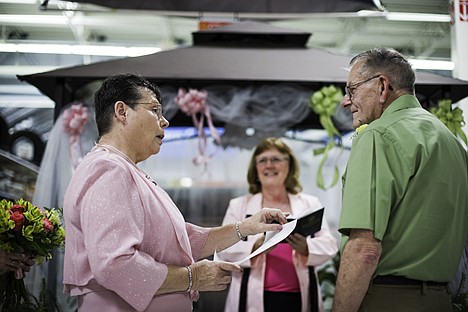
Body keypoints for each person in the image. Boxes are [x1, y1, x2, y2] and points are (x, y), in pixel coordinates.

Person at [62, 73, 288, 312]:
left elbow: (181, 243)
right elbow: (114, 264)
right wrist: (192, 277)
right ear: (122, 112)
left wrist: (246, 227)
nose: (165, 121)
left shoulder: (125, 169)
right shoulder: (108, 168)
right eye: (155, 110)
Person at [333, 47, 468, 312]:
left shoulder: (377, 136)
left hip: (388, 299)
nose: (345, 102)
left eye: (352, 90)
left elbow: (364, 250)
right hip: (442, 299)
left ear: (382, 86)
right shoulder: (451, 142)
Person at [218, 137, 338, 312]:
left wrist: (306, 247)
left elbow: (330, 245)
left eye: (276, 159)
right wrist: (256, 246)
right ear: (255, 169)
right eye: (262, 161)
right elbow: (224, 248)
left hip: (298, 299)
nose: (269, 165)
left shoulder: (310, 204)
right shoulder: (239, 206)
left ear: (289, 166)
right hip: (251, 298)